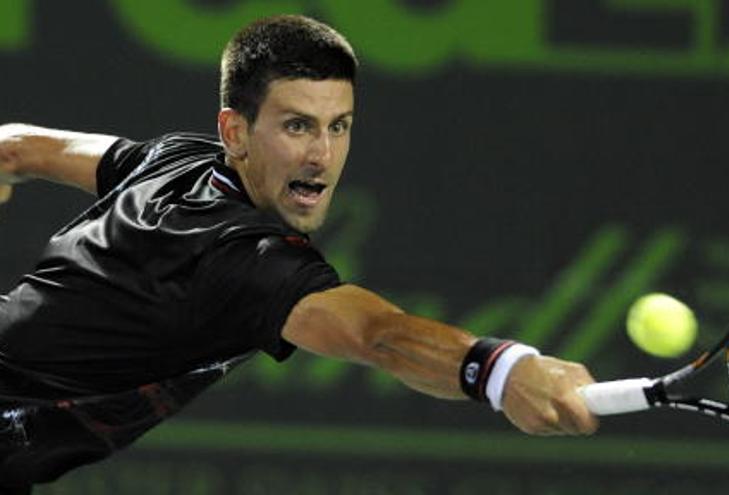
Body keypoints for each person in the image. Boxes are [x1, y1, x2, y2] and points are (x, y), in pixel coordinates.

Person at [0, 15, 597, 492]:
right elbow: (380, 335)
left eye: (339, 126)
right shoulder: (245, 260)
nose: (322, 156)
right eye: (297, 126)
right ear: (235, 131)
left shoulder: (176, 162)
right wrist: (500, 370)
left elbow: (17, 147)